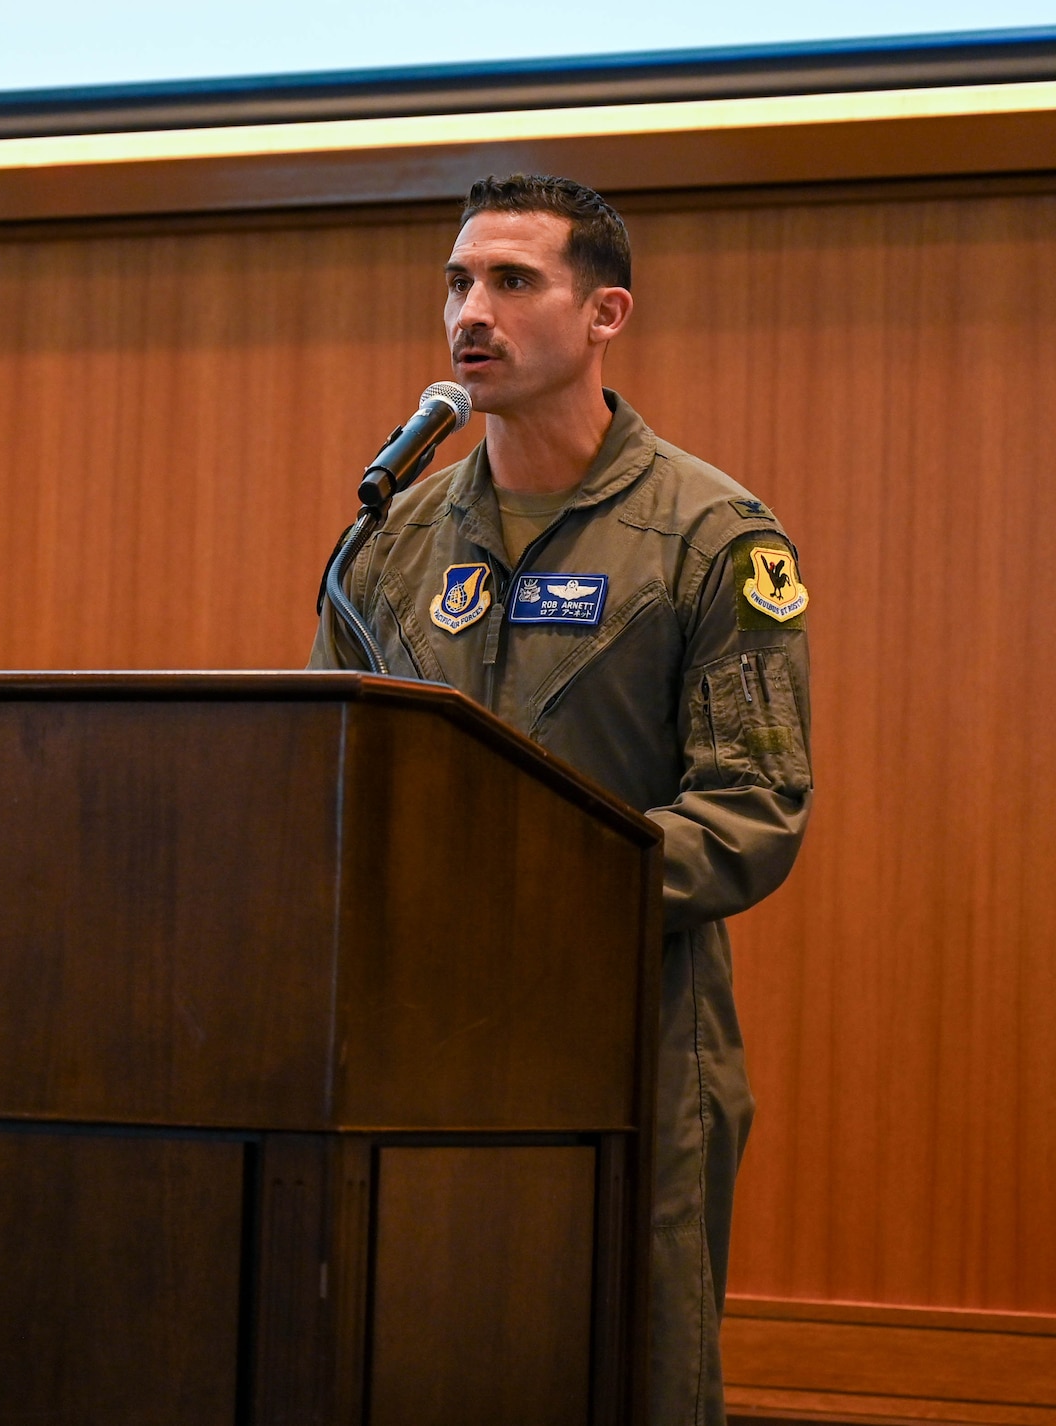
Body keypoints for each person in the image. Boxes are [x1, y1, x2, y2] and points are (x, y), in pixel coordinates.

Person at [309, 173, 812, 1425]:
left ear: (604, 314)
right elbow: (323, 779)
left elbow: (750, 808)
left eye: (510, 282)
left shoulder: (711, 538)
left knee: (626, 1373)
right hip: (419, 1041)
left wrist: (544, 888)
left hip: (627, 1039)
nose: (469, 314)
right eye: (457, 283)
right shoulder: (389, 541)